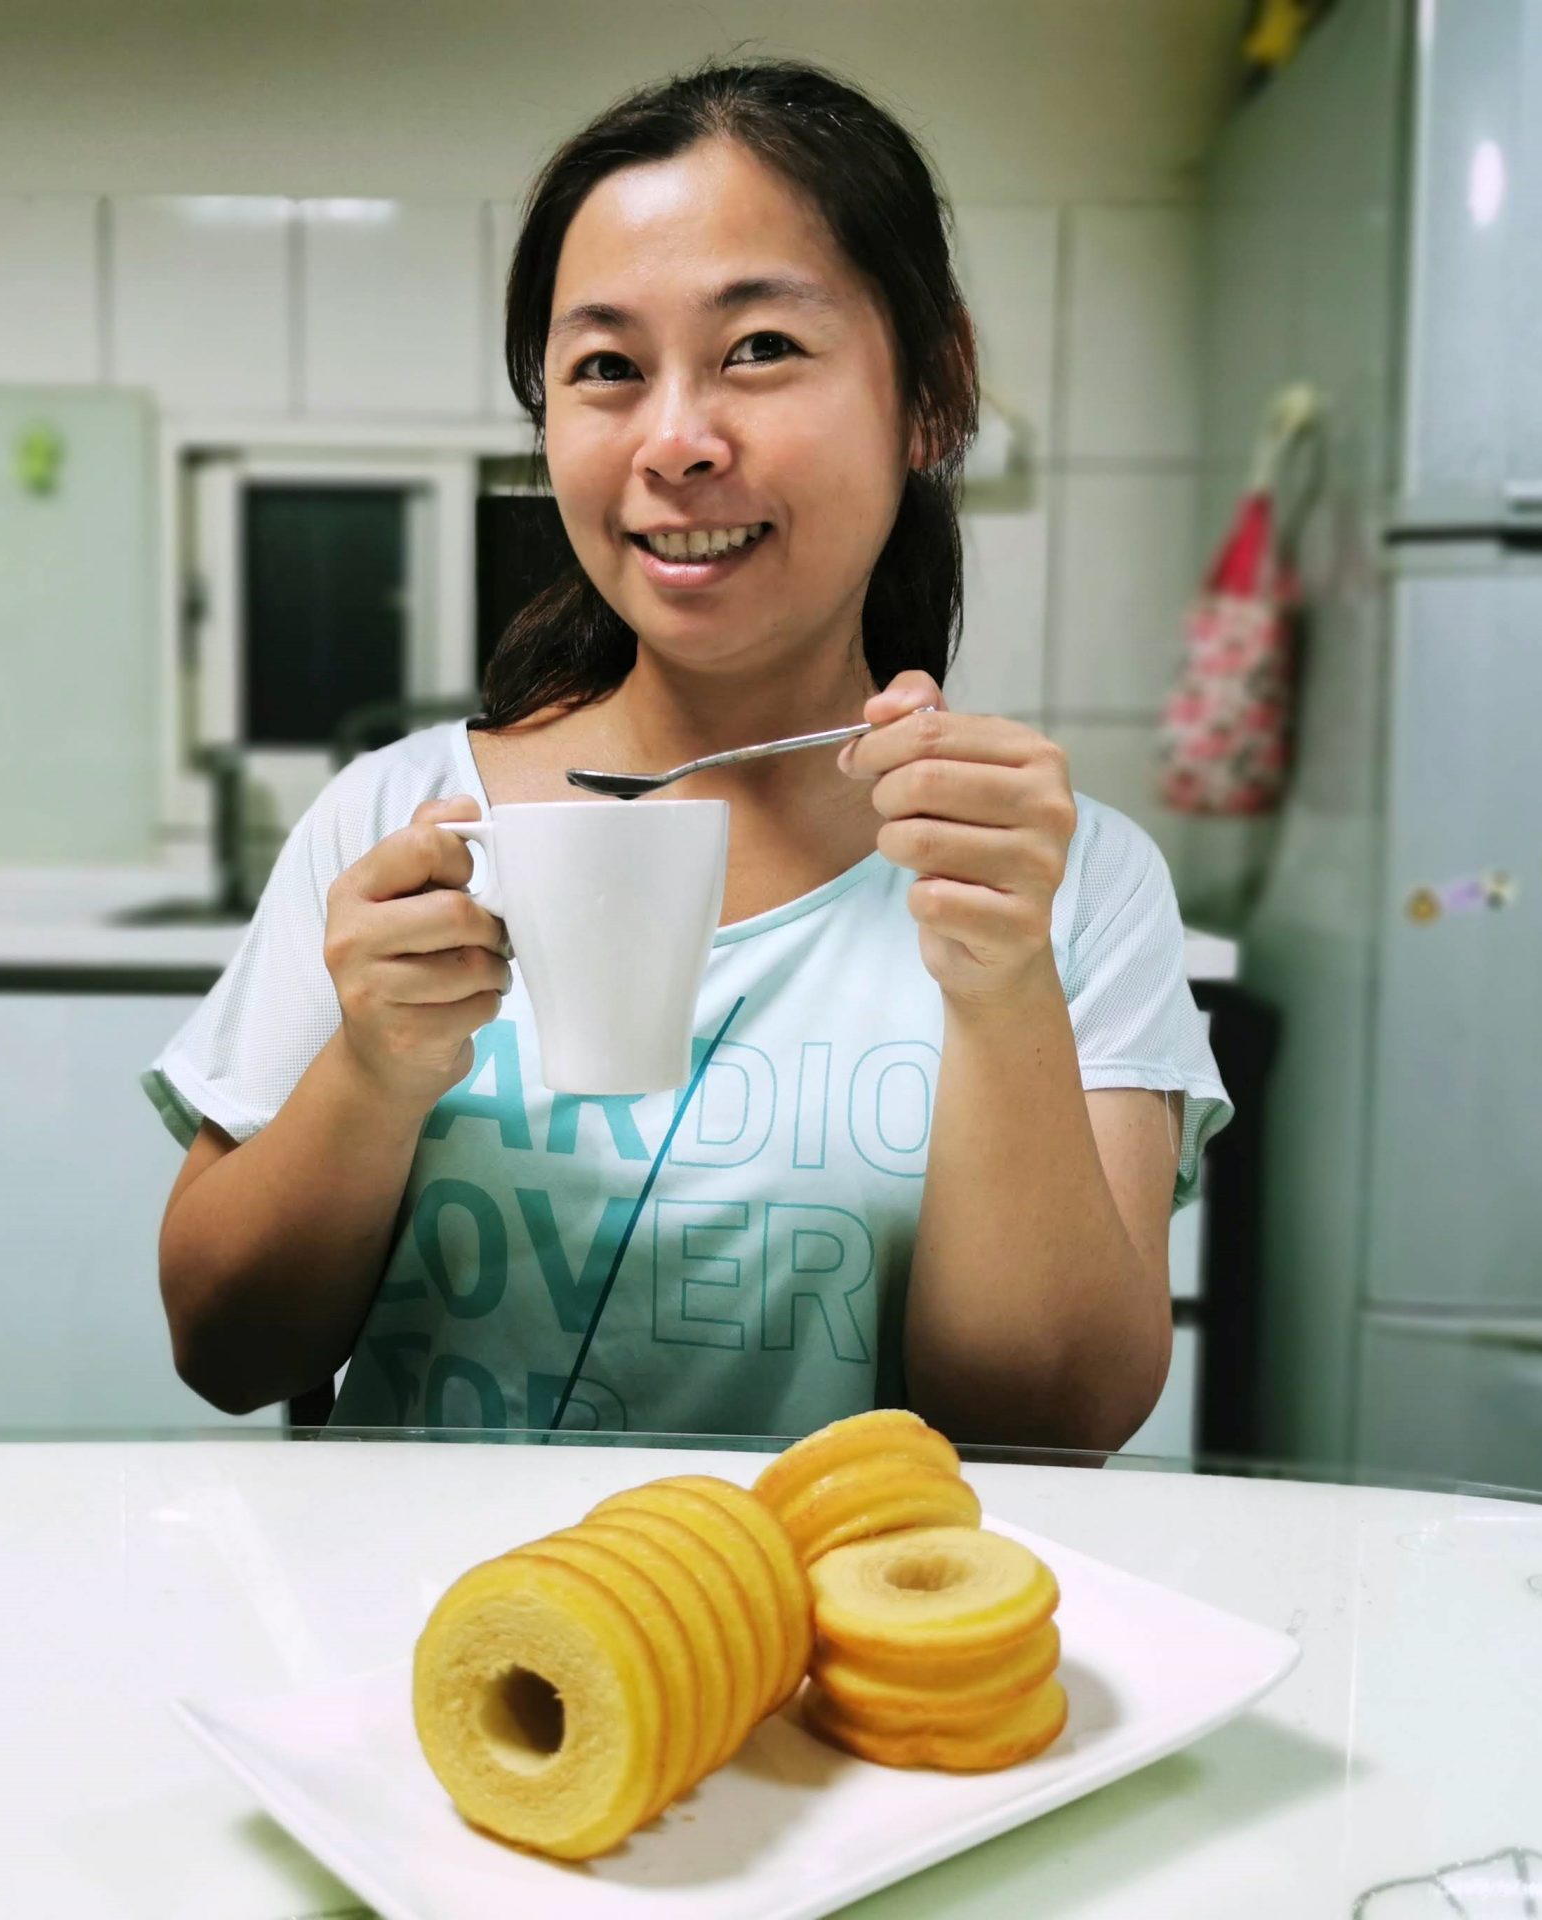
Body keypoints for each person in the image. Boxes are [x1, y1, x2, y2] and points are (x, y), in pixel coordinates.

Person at [146, 56, 1230, 1449]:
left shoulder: (1060, 881)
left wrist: (1004, 986)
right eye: (605, 368)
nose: (675, 441)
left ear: (932, 391)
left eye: (760, 349)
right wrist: (371, 1074)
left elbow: (1051, 1425)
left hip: (831, 1654)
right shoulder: (403, 824)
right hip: (441, 1649)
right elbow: (224, 1350)